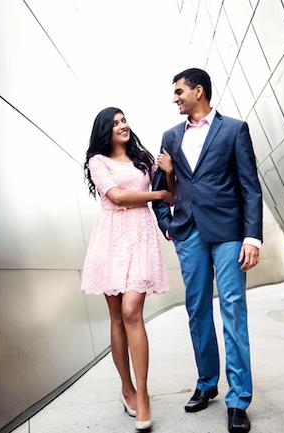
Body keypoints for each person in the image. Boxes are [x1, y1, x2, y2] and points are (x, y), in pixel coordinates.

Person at [152, 68, 262, 433]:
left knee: (233, 310)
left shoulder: (234, 130)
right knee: (197, 309)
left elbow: (250, 187)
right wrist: (168, 225)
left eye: (179, 91)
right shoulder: (170, 136)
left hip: (230, 232)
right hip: (188, 234)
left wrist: (253, 237)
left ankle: (238, 399)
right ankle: (206, 384)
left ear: (199, 91)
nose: (175, 98)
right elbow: (160, 189)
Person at [81, 107, 174, 432]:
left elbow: (170, 193)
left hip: (140, 236)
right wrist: (156, 194)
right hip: (110, 239)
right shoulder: (98, 161)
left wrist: (169, 173)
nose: (122, 125)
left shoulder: (143, 158)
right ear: (104, 130)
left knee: (132, 310)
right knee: (117, 317)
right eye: (115, 122)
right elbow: (117, 196)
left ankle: (143, 394)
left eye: (124, 120)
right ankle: (127, 388)